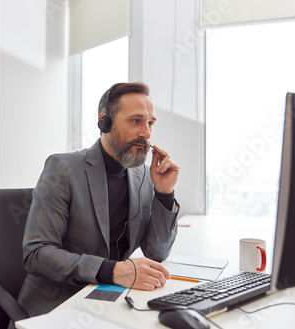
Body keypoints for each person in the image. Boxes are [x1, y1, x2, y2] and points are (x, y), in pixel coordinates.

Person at [17, 82, 180, 316]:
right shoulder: (63, 168)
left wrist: (165, 194)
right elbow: (37, 254)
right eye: (136, 120)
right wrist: (113, 271)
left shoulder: (144, 176)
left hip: (112, 299)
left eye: (150, 123)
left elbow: (157, 252)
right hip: (59, 304)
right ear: (104, 122)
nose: (147, 133)